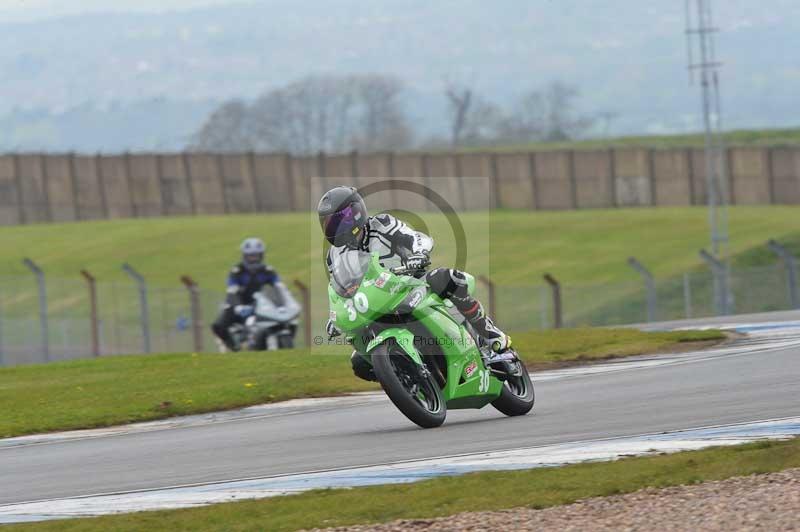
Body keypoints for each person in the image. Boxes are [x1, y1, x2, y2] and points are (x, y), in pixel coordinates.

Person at [317, 186, 511, 380]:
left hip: (410, 283)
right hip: (376, 301)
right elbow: (340, 287)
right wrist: (336, 316)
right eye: (328, 224)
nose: (333, 228)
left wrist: (418, 254)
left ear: (356, 213)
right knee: (359, 363)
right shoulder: (334, 257)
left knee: (447, 278)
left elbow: (416, 238)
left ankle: (490, 334)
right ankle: (407, 379)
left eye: (337, 221)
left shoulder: (382, 225)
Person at [211, 237, 281, 351]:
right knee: (218, 325)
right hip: (237, 306)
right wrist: (238, 306)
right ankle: (232, 347)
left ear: (261, 256)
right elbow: (231, 291)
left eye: (256, 256)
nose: (253, 259)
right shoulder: (237, 272)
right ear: (244, 256)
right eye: (250, 256)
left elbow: (279, 288)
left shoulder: (268, 271)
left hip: (261, 306)